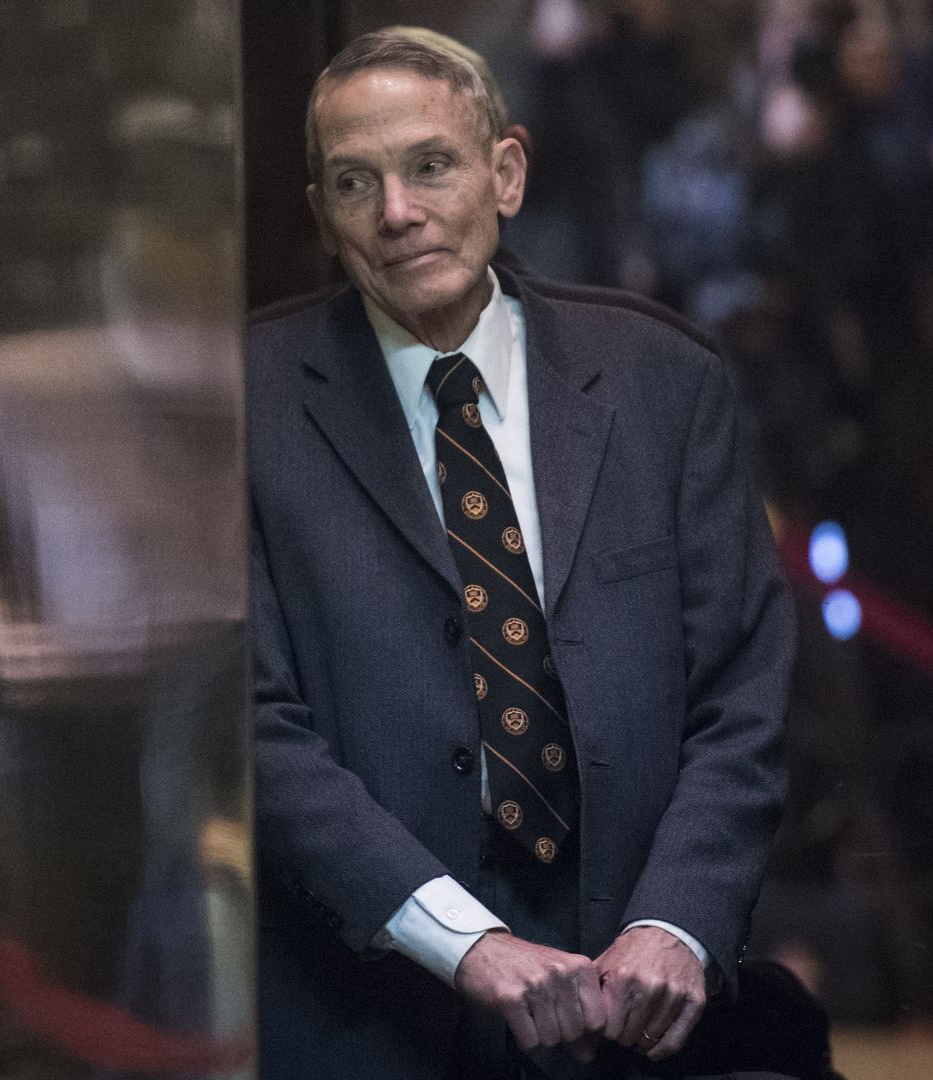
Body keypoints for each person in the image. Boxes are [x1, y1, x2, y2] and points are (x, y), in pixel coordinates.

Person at [247, 29, 795, 1080]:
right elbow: (251, 728)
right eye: (356, 182)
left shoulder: (663, 382)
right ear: (320, 214)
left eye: (430, 165)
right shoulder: (246, 408)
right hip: (364, 1012)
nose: (397, 212)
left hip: (638, 1014)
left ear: (506, 173)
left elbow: (742, 695)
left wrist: (676, 924)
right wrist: (465, 943)